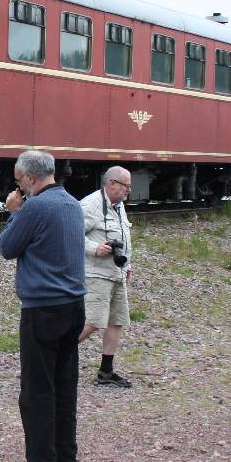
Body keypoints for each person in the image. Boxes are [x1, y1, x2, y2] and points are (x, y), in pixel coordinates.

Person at [0, 150, 87, 462]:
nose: (18, 187)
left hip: (42, 307)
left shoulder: (34, 207)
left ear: (31, 178)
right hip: (74, 305)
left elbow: (7, 247)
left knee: (37, 388)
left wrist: (14, 213)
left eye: (18, 181)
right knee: (65, 384)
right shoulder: (72, 204)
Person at [79, 166, 135, 387]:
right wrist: (95, 248)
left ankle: (106, 372)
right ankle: (53, 358)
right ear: (112, 183)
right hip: (96, 274)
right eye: (126, 186)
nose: (129, 191)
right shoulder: (89, 205)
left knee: (116, 321)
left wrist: (127, 265)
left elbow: (122, 237)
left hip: (116, 273)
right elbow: (70, 235)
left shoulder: (119, 206)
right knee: (93, 322)